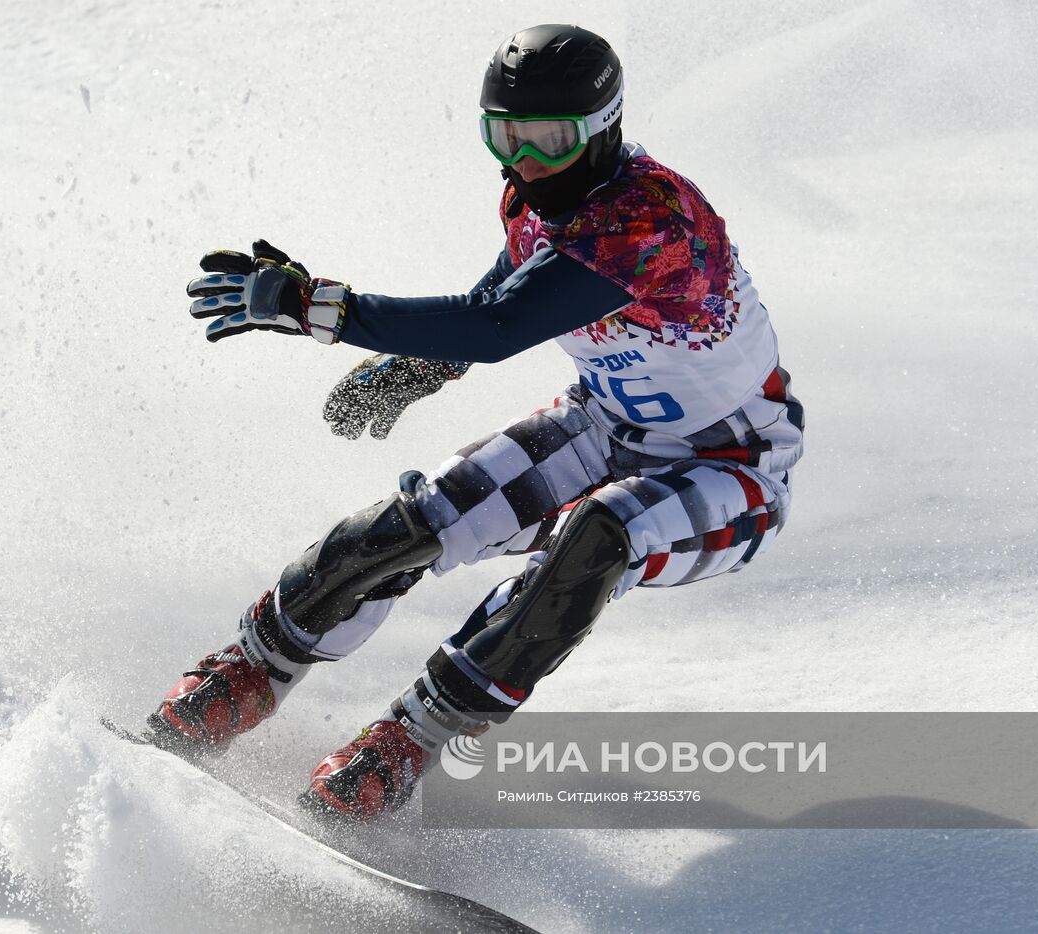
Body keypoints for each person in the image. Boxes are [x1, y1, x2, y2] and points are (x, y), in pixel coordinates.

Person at [147, 23, 805, 822]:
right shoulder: (532, 197)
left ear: (604, 128)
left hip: (733, 465)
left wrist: (320, 307)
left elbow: (497, 325)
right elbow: (505, 288)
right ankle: (249, 674)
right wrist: (419, 369)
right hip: (602, 426)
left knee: (594, 539)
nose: (525, 162)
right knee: (415, 523)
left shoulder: (648, 220)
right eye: (505, 137)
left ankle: (408, 743)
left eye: (549, 141)